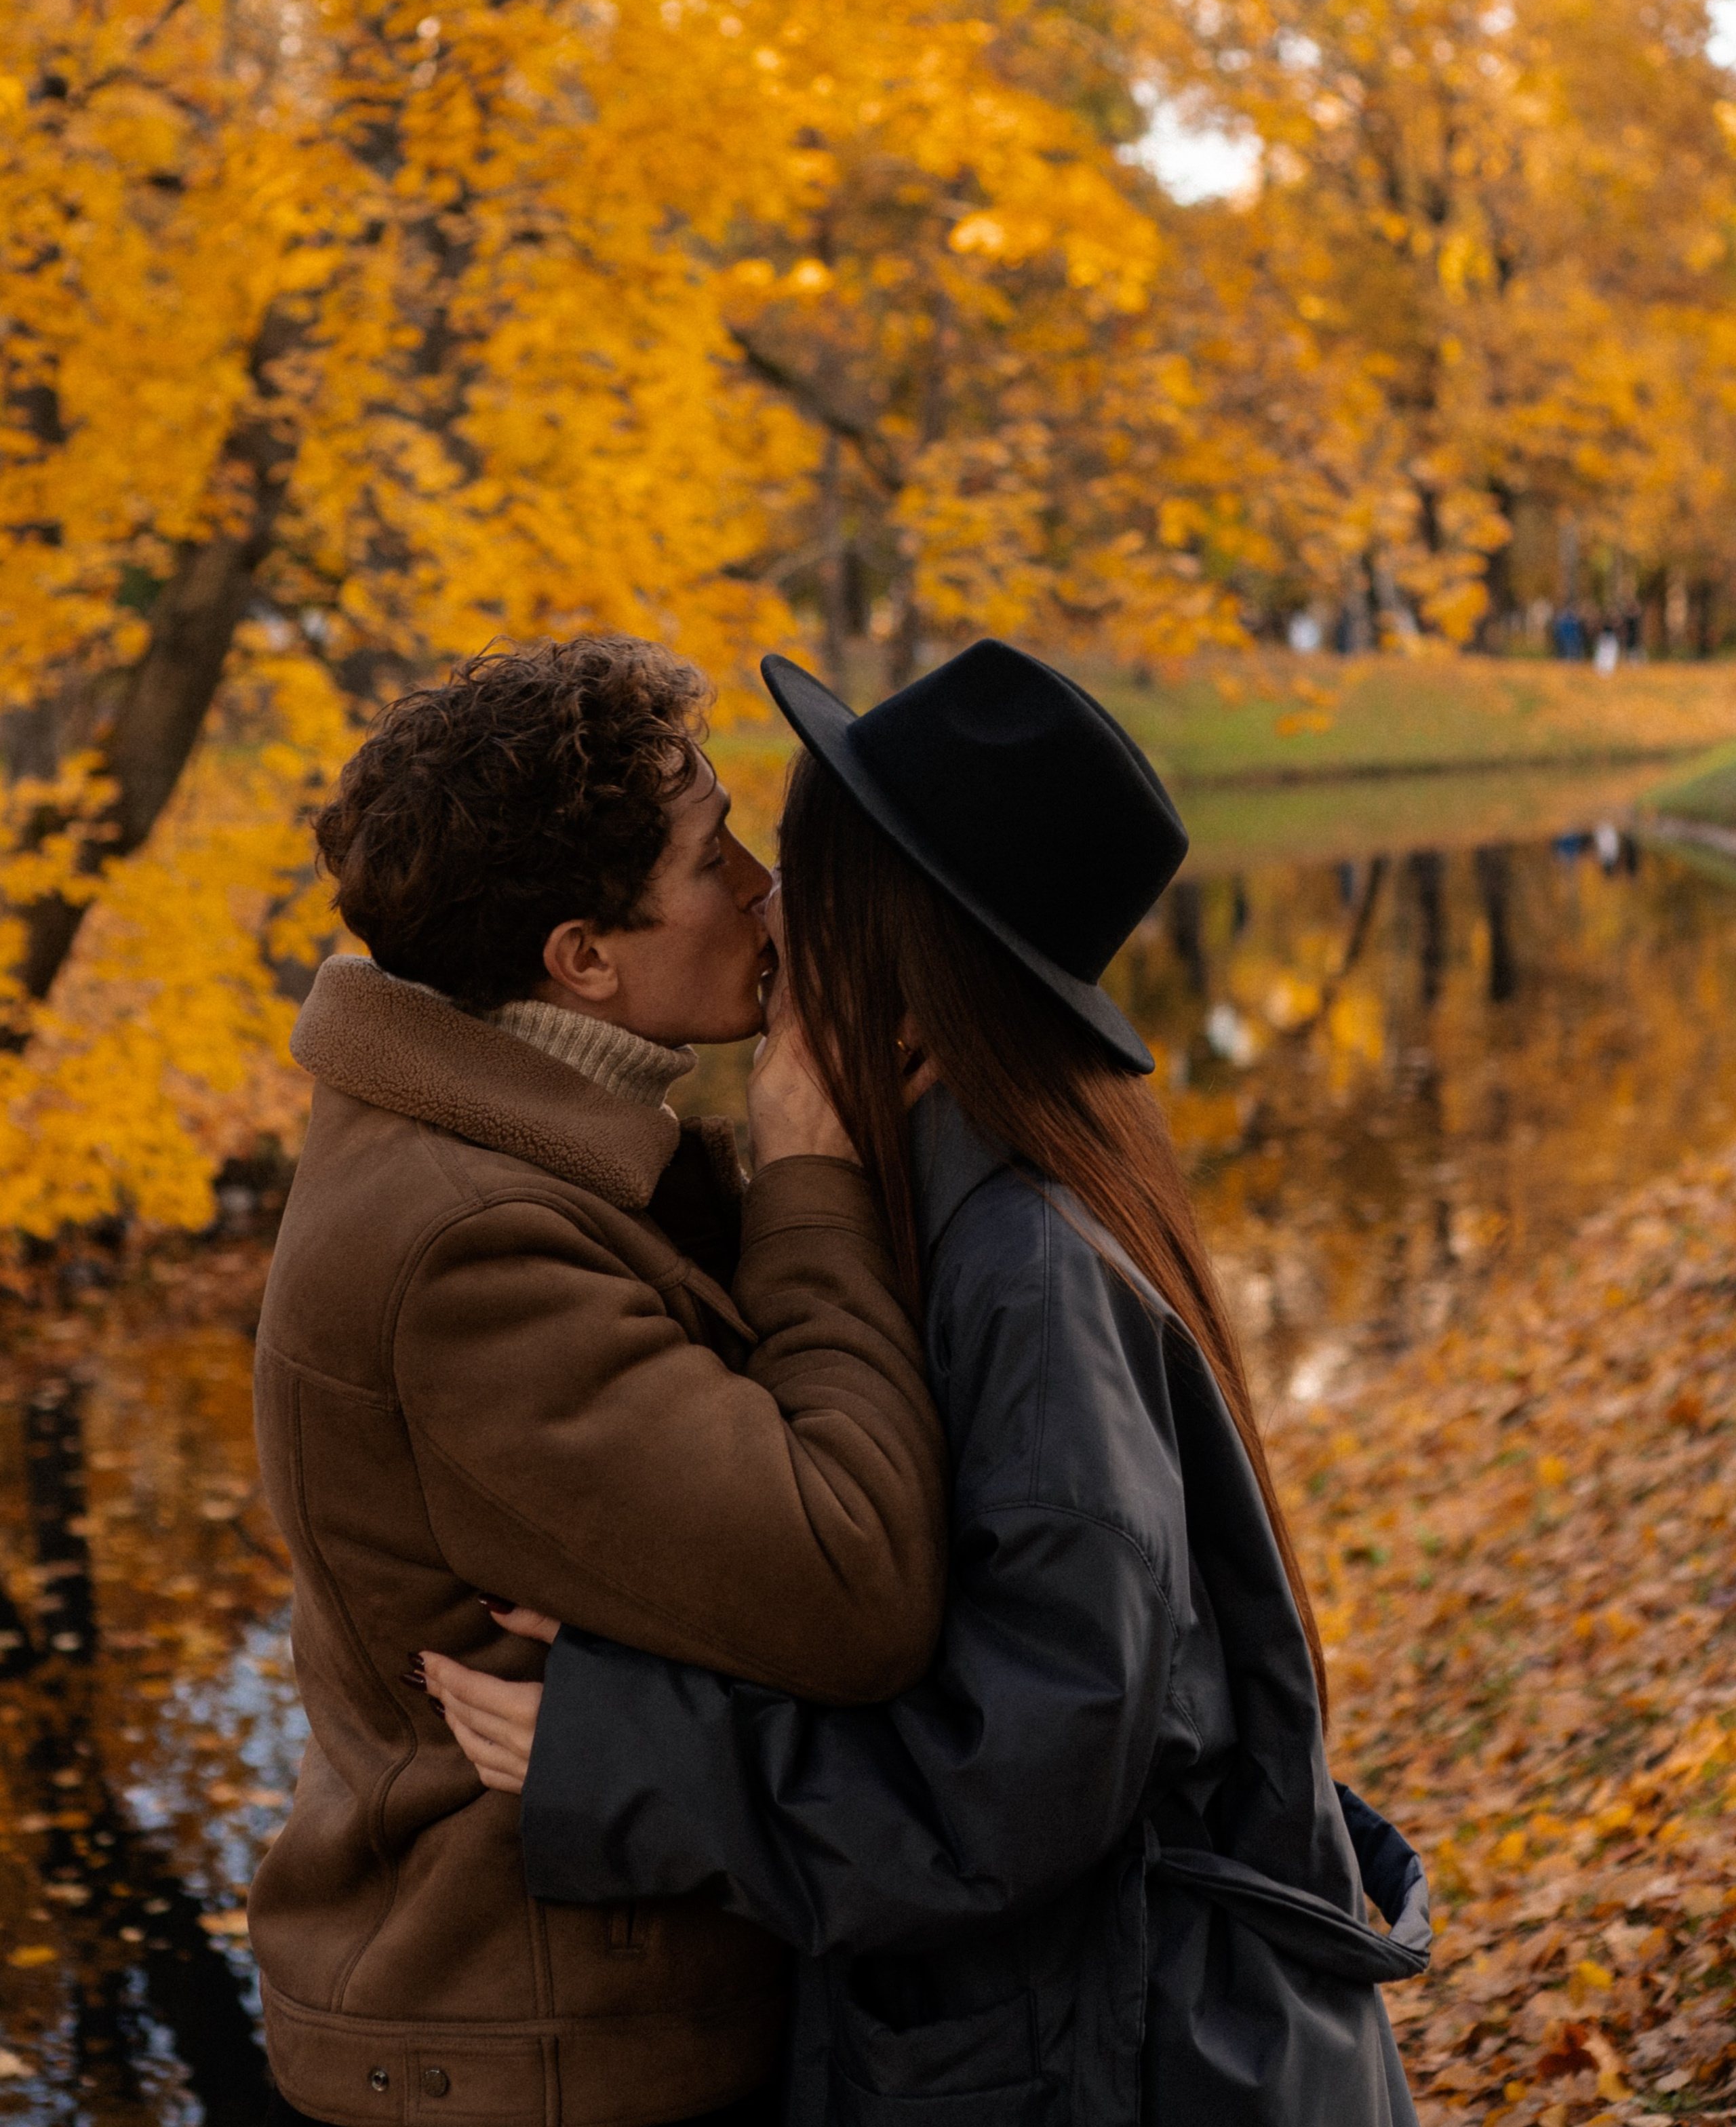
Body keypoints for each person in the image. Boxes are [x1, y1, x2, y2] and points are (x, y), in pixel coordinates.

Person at [425, 641, 1430, 2127]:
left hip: (1126, 2065)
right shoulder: (981, 1185)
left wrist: (633, 1753)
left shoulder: (1019, 1259)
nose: (764, 903)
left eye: (798, 872)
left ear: (879, 927)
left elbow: (1024, 1777)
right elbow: (965, 1629)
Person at [249, 637, 948, 2127]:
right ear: (582, 957)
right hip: (538, 2055)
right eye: (714, 861)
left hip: (573, 2023)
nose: (765, 887)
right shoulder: (471, 1244)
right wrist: (810, 1172)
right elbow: (852, 1579)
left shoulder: (515, 1153)